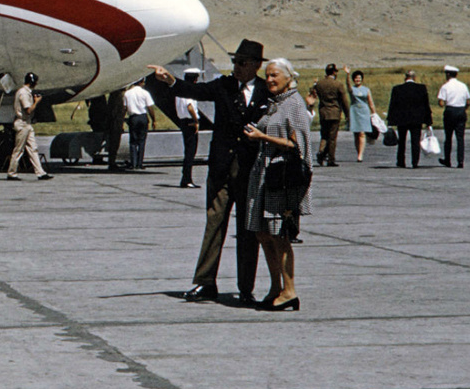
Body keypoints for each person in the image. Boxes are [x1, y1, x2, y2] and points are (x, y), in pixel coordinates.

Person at [149, 39, 270, 305]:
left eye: (242, 63)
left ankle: (246, 287)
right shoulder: (224, 86)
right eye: (234, 62)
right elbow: (193, 91)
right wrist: (169, 80)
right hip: (221, 168)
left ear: (256, 66)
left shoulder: (266, 91)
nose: (236, 67)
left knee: (248, 230)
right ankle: (205, 283)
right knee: (214, 223)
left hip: (249, 170)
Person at [242, 58, 314, 312]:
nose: (270, 80)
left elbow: (300, 146)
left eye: (274, 75)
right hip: (264, 175)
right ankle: (276, 288)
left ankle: (290, 291)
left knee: (280, 236)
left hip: (282, 179)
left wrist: (263, 137)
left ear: (288, 77)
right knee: (264, 234)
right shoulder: (275, 104)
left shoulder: (294, 104)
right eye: (267, 75)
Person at [6, 72, 52, 180]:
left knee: (33, 148)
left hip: (27, 124)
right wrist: (36, 102)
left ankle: (40, 172)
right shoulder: (24, 93)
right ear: (32, 83)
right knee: (19, 150)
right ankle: (11, 173)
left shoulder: (25, 92)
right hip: (22, 123)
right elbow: (28, 110)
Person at [386, 70, 433, 168]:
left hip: (402, 120)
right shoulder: (421, 89)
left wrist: (390, 121)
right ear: (414, 78)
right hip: (416, 120)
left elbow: (393, 105)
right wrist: (428, 121)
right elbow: (426, 106)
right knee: (415, 141)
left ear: (405, 77)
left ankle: (401, 161)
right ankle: (415, 162)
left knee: (402, 141)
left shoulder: (397, 89)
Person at [310, 64, 351, 167]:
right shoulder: (338, 84)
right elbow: (344, 101)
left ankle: (321, 152)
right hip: (335, 113)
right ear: (334, 72)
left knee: (324, 135)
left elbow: (312, 91)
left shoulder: (319, 84)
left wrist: (315, 84)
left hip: (323, 112)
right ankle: (331, 159)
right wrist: (348, 114)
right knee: (332, 138)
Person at [438, 65, 470, 168]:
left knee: (448, 137)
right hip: (461, 110)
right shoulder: (463, 86)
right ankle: (460, 161)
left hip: (450, 111)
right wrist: (463, 109)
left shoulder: (445, 86)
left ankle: (447, 159)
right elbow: (468, 101)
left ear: (448, 74)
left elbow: (441, 102)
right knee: (460, 138)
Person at [122, 79, 156, 171]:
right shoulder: (145, 93)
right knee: (141, 141)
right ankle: (140, 163)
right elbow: (150, 107)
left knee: (133, 141)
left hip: (133, 118)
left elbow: (124, 107)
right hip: (143, 117)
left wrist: (122, 119)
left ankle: (133, 163)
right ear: (141, 82)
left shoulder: (127, 93)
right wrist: (154, 120)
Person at [176, 68, 202, 188]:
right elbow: (190, 106)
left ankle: (186, 178)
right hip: (190, 121)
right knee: (191, 152)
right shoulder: (188, 90)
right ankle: (187, 179)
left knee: (188, 151)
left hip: (183, 121)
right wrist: (196, 120)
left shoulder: (180, 90)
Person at [347, 70, 377, 162]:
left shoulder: (366, 89)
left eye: (359, 78)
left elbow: (370, 102)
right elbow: (347, 85)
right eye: (356, 78)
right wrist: (347, 75)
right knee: (356, 133)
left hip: (364, 111)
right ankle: (358, 151)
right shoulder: (352, 89)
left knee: (362, 133)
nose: (358, 80)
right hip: (354, 111)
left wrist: (374, 113)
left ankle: (360, 155)